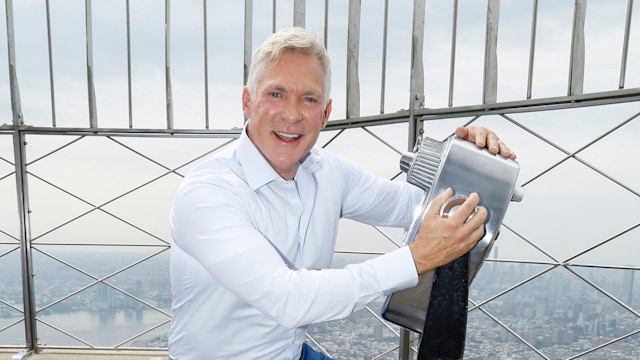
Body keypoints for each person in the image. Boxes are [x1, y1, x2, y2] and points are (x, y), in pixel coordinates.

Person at [168, 27, 516, 360]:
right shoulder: (207, 193)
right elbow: (286, 299)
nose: (291, 114)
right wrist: (415, 259)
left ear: (325, 113)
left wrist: (469, 163)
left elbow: (420, 208)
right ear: (247, 101)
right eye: (276, 94)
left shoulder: (328, 172)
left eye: (308, 99)